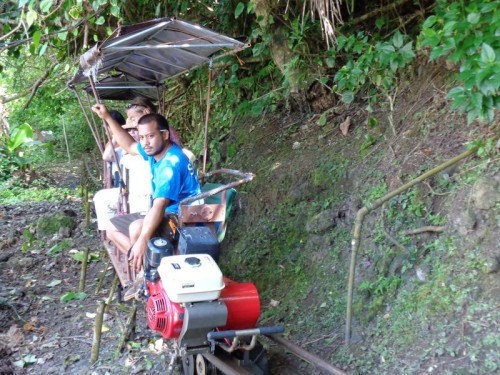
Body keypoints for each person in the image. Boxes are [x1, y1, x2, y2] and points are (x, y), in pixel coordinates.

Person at [91, 104, 201, 275]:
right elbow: (128, 145)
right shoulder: (157, 151)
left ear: (164, 134)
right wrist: (107, 117)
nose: (145, 142)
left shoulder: (170, 163)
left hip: (179, 218)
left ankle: (148, 274)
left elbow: (159, 205)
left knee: (137, 228)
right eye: (142, 137)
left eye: (150, 136)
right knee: (111, 229)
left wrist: (142, 241)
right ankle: (147, 266)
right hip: (167, 213)